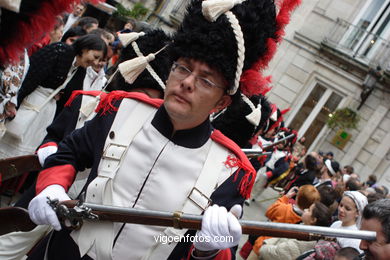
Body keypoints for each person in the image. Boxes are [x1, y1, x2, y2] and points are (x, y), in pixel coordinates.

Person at [25, 0, 301, 259]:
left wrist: (205, 249)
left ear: (222, 102)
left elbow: (191, 246)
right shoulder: (120, 110)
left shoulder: (231, 169)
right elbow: (70, 152)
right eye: (183, 68)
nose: (187, 82)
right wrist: (52, 189)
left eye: (205, 80)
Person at [0, 34, 107, 158]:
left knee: (22, 155)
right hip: (28, 105)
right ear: (85, 48)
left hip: (44, 115)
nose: (95, 62)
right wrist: (14, 104)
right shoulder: (59, 51)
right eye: (95, 56)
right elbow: (30, 79)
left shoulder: (80, 70)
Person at [247, 201, 332, 260]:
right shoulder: (302, 227)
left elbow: (273, 253)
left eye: (309, 210)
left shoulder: (303, 243)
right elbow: (281, 237)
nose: (305, 210)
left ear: (313, 220)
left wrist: (264, 245)